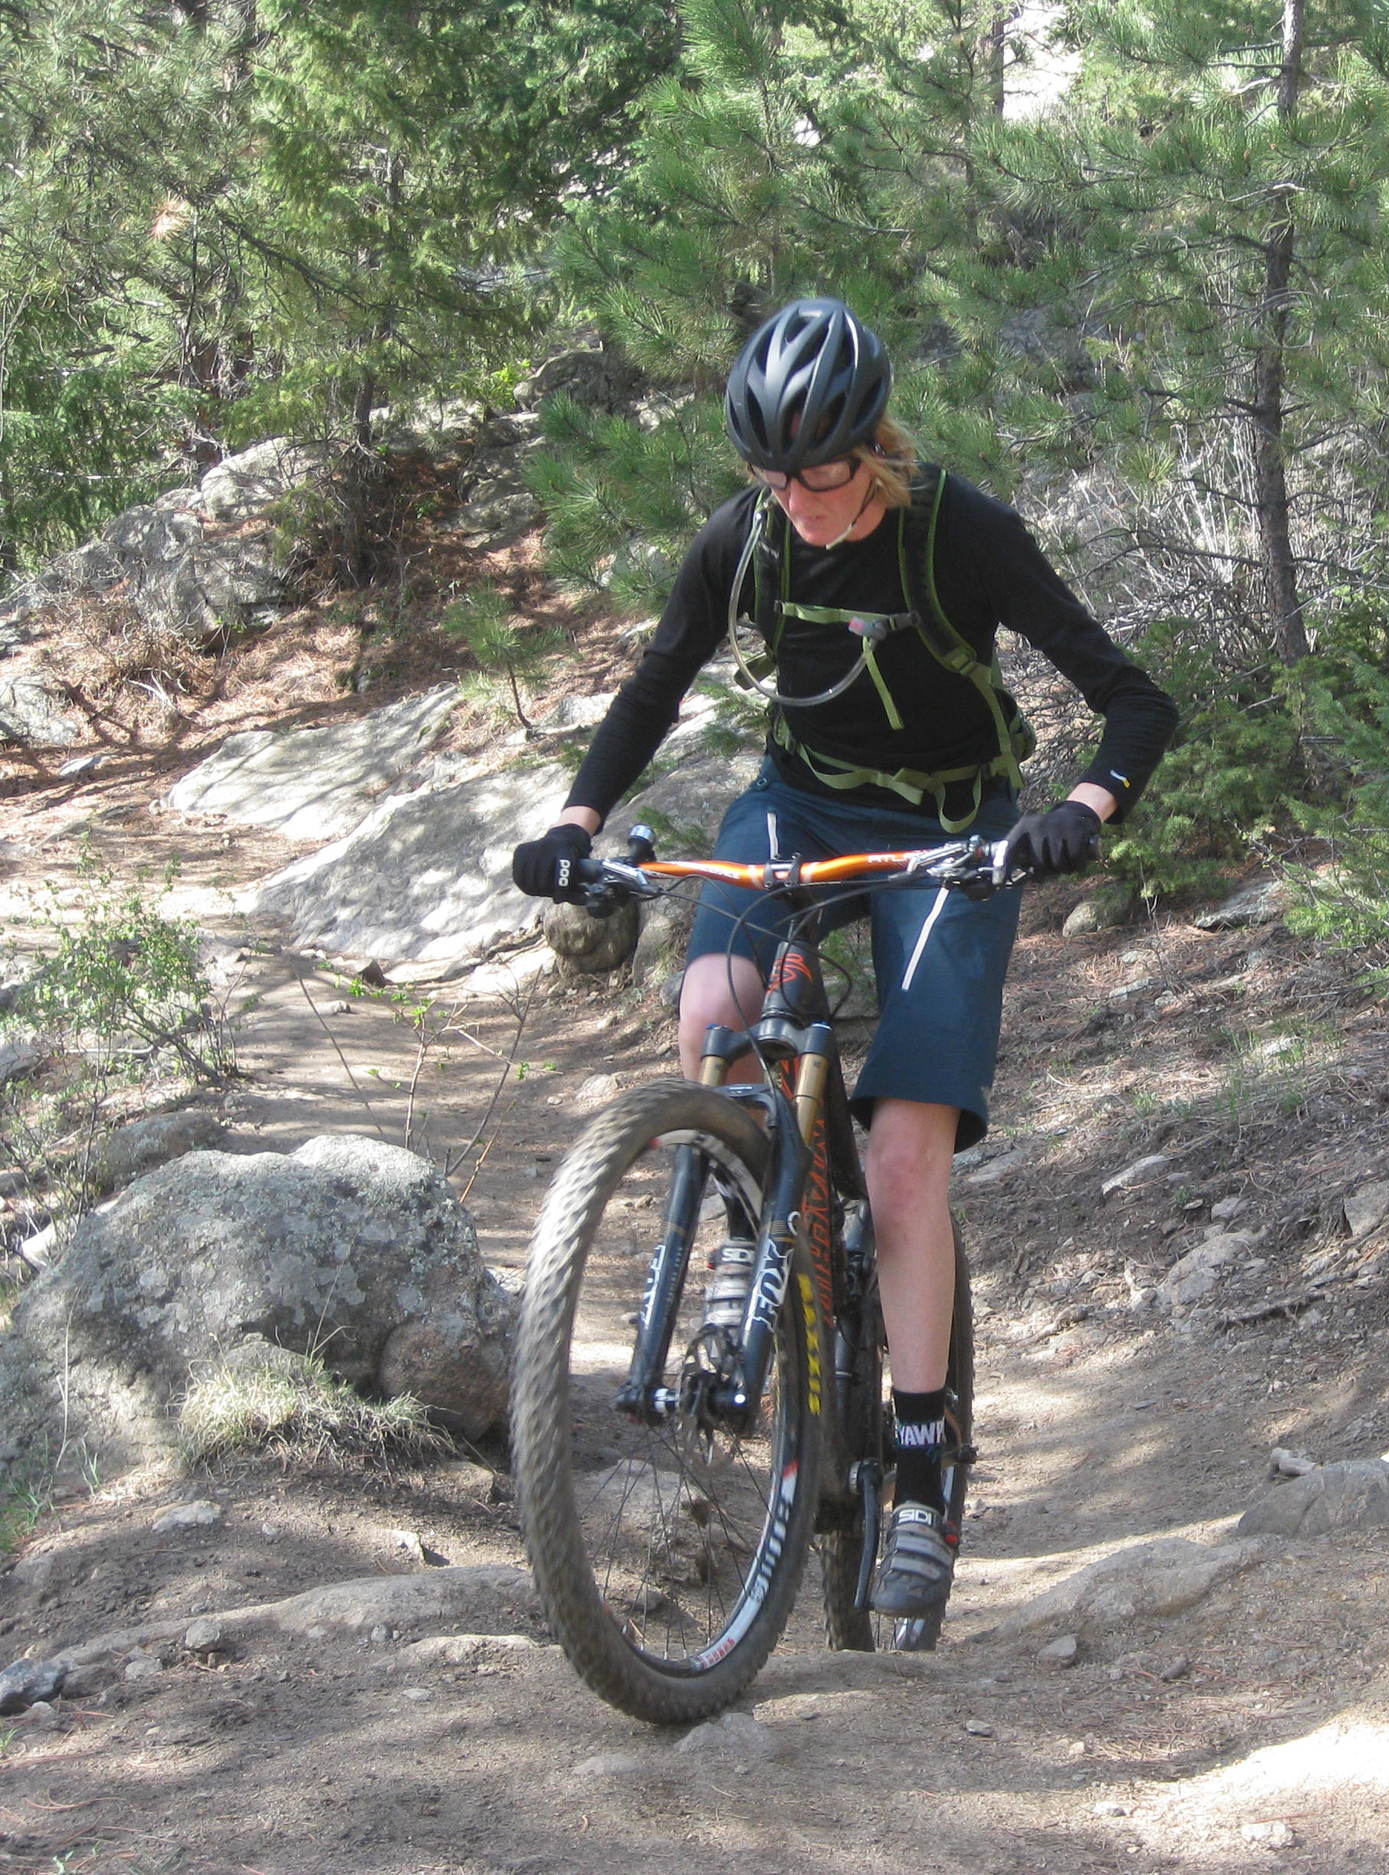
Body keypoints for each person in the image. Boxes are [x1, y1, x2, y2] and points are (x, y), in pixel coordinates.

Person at [510, 297, 1177, 1619]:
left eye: (816, 474)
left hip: (955, 832)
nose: (795, 502)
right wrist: (576, 824)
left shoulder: (963, 532)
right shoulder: (748, 537)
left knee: (904, 1162)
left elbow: (1134, 699)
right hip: (800, 809)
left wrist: (1079, 810)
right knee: (712, 1010)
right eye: (772, 476)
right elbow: (656, 681)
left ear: (871, 448)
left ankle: (921, 1465)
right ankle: (746, 1239)